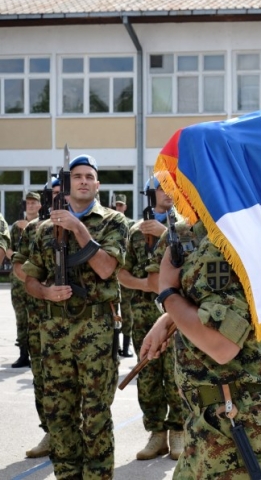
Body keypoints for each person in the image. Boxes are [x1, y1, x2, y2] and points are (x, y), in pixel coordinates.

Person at [141, 218, 261, 479]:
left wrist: (168, 293)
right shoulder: (236, 230)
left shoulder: (224, 240)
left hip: (239, 423)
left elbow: (222, 345)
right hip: (220, 419)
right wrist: (169, 318)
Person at [22, 155, 129, 479]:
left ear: (97, 185)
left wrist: (78, 228)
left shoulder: (114, 222)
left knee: (96, 414)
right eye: (77, 176)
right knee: (59, 414)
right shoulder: (43, 230)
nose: (83, 181)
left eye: (89, 177)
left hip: (96, 331)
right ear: (67, 185)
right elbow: (29, 278)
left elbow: (107, 268)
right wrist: (45, 292)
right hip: (54, 333)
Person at [117, 175, 185, 461]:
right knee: (147, 376)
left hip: (177, 316)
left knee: (176, 374)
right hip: (144, 316)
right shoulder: (135, 232)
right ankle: (156, 433)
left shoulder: (185, 227)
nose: (168, 192)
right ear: (150, 193)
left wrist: (165, 234)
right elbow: (121, 273)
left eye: (172, 187)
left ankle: (178, 430)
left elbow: (193, 267)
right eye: (161, 188)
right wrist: (147, 285)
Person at [12, 181, 55, 458]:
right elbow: (18, 266)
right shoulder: (34, 229)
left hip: (79, 319)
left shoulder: (86, 225)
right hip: (39, 316)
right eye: (55, 194)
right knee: (42, 377)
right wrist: (40, 284)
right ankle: (51, 432)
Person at [9, 191, 41, 368]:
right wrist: (19, 259)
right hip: (18, 281)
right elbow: (8, 249)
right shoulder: (16, 227)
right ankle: (23, 354)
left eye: (34, 202)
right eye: (28, 203)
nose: (31, 205)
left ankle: (37, 354)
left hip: (36, 278)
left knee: (36, 318)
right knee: (21, 317)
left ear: (40, 205)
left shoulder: (44, 225)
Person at [113, 193, 136, 357]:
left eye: (121, 205)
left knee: (127, 313)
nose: (118, 208)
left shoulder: (131, 225)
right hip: (111, 273)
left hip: (126, 272)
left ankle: (126, 346)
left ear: (125, 207)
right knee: (113, 312)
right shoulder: (108, 222)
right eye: (116, 205)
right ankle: (115, 346)